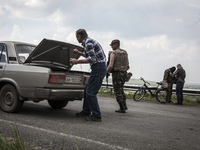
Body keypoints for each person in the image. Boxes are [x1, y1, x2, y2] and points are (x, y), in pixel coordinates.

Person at [70, 29, 107, 122]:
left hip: (98, 67)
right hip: (98, 67)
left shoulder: (88, 43)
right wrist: (79, 53)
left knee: (90, 92)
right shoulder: (89, 41)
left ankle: (97, 115)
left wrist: (77, 61)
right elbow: (90, 56)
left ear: (79, 36)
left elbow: (92, 59)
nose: (76, 39)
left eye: (76, 37)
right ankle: (86, 111)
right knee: (87, 90)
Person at [107, 39, 130, 113]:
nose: (111, 47)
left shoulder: (113, 53)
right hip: (124, 73)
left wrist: (107, 72)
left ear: (116, 44)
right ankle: (125, 106)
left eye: (112, 45)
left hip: (117, 74)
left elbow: (110, 65)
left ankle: (122, 108)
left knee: (117, 91)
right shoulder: (124, 52)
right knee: (121, 89)